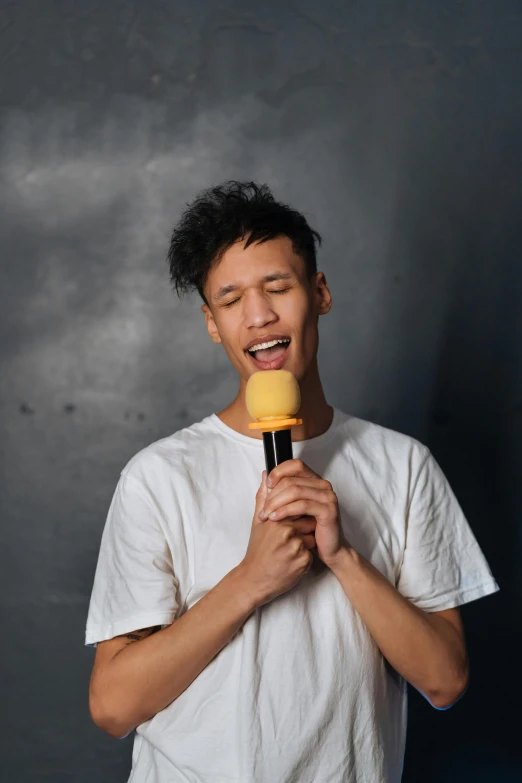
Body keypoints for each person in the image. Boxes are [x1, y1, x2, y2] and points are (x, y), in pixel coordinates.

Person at [85, 181, 499, 783]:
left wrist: (343, 557)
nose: (259, 316)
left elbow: (445, 681)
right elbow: (114, 706)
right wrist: (250, 581)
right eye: (231, 300)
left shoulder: (404, 465)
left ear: (320, 292)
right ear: (212, 323)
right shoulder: (159, 477)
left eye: (277, 287)